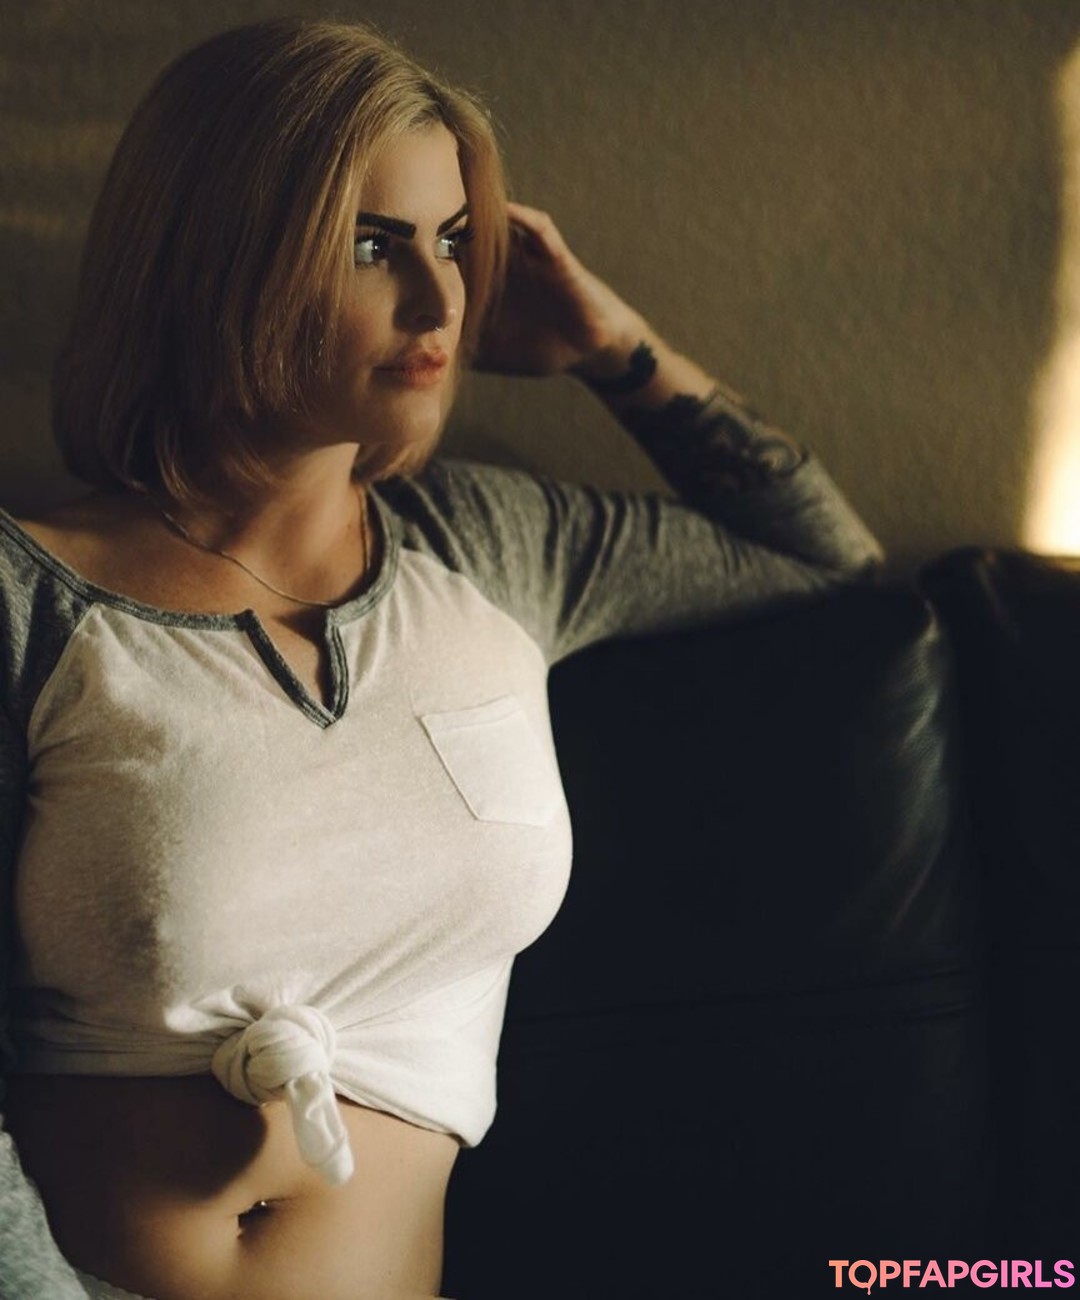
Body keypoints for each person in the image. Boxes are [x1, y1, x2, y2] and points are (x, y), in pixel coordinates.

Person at [0, 15, 886, 1300]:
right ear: (219, 257)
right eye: (374, 245)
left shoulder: (490, 550)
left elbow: (824, 556)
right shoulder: (31, 595)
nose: (441, 300)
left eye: (456, 242)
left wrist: (612, 349)